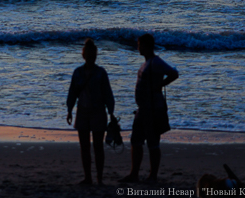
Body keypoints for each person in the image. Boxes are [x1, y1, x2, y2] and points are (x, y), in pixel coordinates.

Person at [120, 33, 179, 184]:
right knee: (136, 140)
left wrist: (161, 84)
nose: (138, 47)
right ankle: (134, 173)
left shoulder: (156, 62)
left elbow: (174, 73)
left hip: (153, 108)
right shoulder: (146, 63)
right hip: (142, 108)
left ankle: (153, 175)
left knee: (153, 142)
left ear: (147, 46)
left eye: (140, 44)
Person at [66, 39, 116, 185]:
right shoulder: (80, 72)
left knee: (96, 147)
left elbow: (108, 94)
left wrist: (111, 111)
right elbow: (72, 93)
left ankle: (98, 178)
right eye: (88, 54)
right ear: (85, 55)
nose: (89, 57)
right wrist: (69, 110)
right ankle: (89, 177)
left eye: (91, 54)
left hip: (97, 112)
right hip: (84, 111)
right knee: (86, 147)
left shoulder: (99, 73)